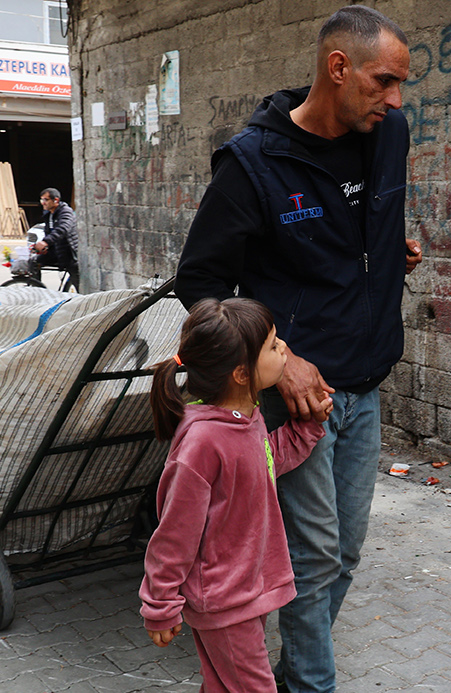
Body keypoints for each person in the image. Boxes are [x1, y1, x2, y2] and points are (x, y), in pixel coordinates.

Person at [173, 6, 421, 692]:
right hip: (294, 397)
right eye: (384, 80)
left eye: (401, 85)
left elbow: (366, 217)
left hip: (364, 379)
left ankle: (285, 672)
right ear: (338, 67)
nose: (396, 99)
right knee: (311, 561)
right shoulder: (253, 163)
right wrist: (278, 358)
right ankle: (312, 683)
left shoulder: (388, 131)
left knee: (343, 554)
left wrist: (387, 252)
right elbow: (198, 280)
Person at [140, 297, 332, 693]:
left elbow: (265, 463)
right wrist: (160, 605)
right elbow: (175, 533)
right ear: (242, 373)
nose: (284, 350)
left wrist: (307, 427)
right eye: (274, 345)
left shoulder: (246, 418)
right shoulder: (202, 443)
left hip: (246, 589)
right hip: (224, 601)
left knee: (224, 686)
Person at [20, 188, 79, 290]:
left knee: (77, 281)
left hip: (68, 253)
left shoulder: (65, 212)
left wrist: (46, 242)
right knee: (34, 262)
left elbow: (62, 229)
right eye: (41, 200)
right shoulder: (49, 214)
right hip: (55, 252)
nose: (43, 203)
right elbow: (48, 232)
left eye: (46, 200)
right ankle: (37, 289)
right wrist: (44, 247)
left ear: (55, 200)